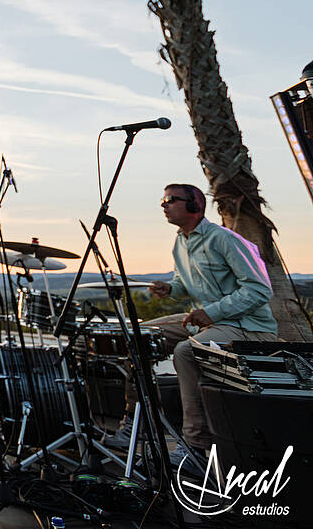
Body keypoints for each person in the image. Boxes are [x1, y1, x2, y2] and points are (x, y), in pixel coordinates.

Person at [107, 183, 277, 465]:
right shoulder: (180, 242)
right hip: (210, 321)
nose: (163, 205)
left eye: (170, 199)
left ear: (195, 205)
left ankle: (195, 446)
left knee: (187, 352)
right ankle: (138, 427)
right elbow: (188, 283)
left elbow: (259, 290)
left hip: (248, 325)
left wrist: (210, 312)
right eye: (163, 200)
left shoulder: (224, 239)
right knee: (137, 336)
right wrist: (171, 288)